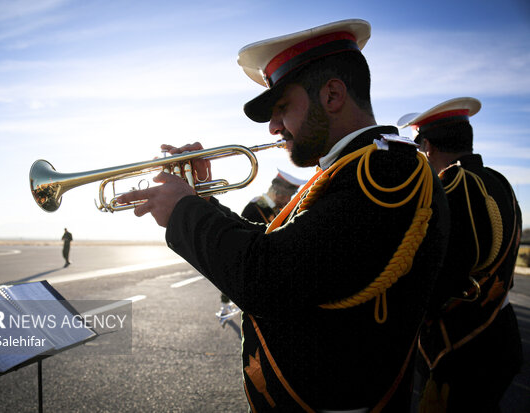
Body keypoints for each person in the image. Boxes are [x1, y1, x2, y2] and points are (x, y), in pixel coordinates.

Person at [117, 19, 449, 411]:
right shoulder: (354, 167)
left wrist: (183, 212)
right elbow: (284, 249)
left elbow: (268, 278)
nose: (274, 127)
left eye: (282, 108)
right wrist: (201, 201)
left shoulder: (384, 173)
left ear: (332, 95)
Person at [397, 97, 523, 412]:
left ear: (427, 146)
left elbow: (440, 275)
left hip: (461, 344)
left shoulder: (453, 186)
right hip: (498, 330)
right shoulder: (497, 180)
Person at [217, 169, 306, 327]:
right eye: (286, 195)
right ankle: (224, 306)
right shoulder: (257, 205)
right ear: (275, 191)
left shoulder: (277, 209)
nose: (288, 199)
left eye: (290, 196)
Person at [241, 169, 306, 225]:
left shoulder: (273, 209)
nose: (289, 200)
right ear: (278, 193)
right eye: (289, 195)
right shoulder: (255, 208)